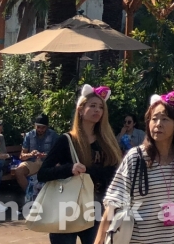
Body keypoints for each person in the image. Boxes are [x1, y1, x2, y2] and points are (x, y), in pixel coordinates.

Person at [96, 91, 174, 244]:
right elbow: (113, 202)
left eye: (165, 119)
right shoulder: (136, 157)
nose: (158, 124)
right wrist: (99, 240)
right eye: (154, 119)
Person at [40, 84, 123, 244]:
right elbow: (43, 173)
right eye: (92, 106)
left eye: (100, 107)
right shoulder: (67, 140)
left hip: (98, 208)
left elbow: (115, 175)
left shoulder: (108, 142)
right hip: (67, 208)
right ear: (80, 109)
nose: (97, 110)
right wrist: (69, 169)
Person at [16, 113, 57, 194]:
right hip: (32, 162)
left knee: (59, 167)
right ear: (35, 126)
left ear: (47, 127)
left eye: (43, 127)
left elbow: (57, 154)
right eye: (38, 127)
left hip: (47, 162)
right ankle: (30, 194)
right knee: (18, 171)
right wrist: (31, 154)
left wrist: (46, 155)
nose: (40, 130)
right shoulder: (29, 135)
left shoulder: (53, 135)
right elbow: (22, 156)